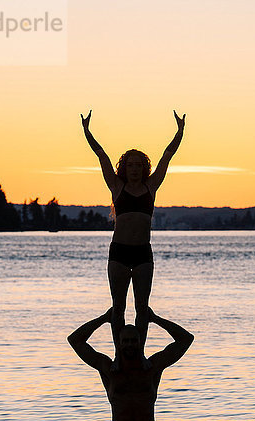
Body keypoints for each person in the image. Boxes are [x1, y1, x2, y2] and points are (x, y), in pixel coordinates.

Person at [80, 110, 186, 358]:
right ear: (124, 168)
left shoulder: (152, 186)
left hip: (142, 254)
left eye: (139, 165)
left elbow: (167, 155)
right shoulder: (116, 186)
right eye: (131, 165)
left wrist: (180, 132)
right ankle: (119, 355)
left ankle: (138, 354)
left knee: (142, 308)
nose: (135, 169)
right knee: (118, 308)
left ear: (144, 168)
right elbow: (101, 154)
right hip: (119, 252)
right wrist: (87, 132)